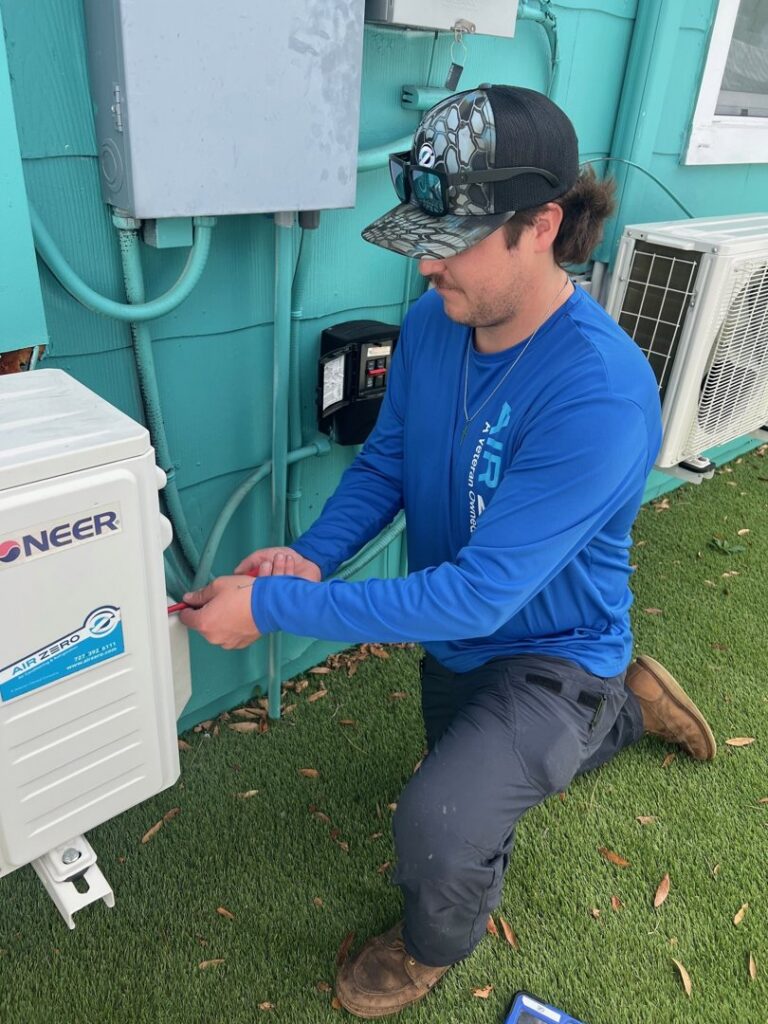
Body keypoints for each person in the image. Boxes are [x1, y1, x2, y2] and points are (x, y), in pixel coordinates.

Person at [180, 86, 716, 1019]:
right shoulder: (439, 321)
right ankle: (622, 715)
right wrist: (309, 560)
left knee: (439, 822)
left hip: (555, 649)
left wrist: (270, 608)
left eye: (452, 236)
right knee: (464, 765)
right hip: (465, 646)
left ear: (542, 224)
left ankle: (434, 945)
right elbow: (388, 460)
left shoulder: (598, 392)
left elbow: (474, 598)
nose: (426, 264)